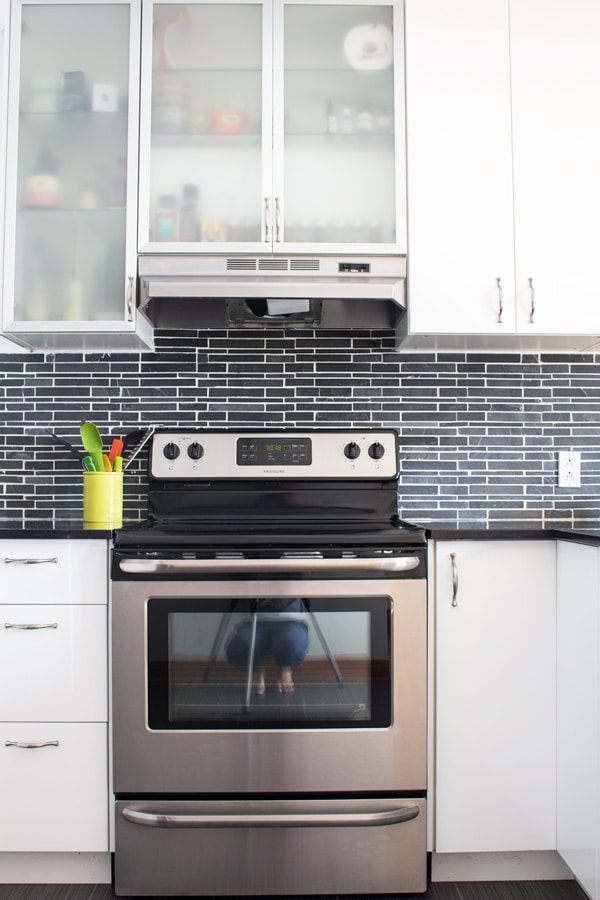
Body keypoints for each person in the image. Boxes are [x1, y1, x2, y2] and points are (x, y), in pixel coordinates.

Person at [225, 598, 309, 694]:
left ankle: (285, 668)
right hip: (252, 620)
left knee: (291, 644)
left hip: (290, 617)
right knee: (240, 646)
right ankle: (256, 669)